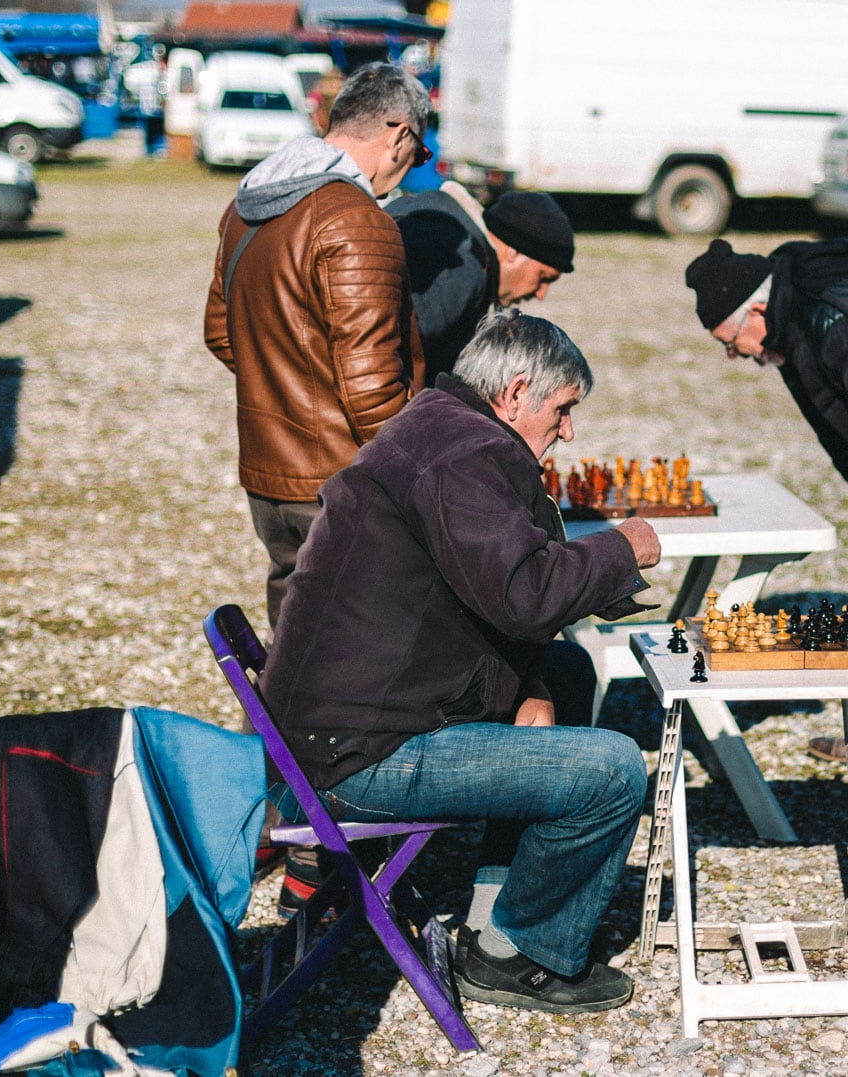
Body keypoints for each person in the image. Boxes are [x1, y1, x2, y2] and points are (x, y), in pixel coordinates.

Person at [260, 311, 662, 1014]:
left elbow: (494, 595)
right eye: (563, 409)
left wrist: (533, 683)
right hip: (356, 759)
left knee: (567, 673)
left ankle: (492, 918)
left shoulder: (442, 422)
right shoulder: (466, 455)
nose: (569, 430)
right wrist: (621, 548)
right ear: (514, 392)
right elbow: (524, 592)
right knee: (613, 768)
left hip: (336, 726)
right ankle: (524, 953)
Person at [683, 236, 848, 765]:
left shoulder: (830, 321)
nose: (735, 355)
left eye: (731, 340)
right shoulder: (790, 326)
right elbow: (841, 436)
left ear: (755, 309)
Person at [203, 62, 432, 633]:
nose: (410, 169)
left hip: (267, 477)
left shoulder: (247, 206)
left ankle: (282, 724)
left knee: (298, 634)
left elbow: (219, 331)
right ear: (398, 133)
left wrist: (291, 391)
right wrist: (427, 475)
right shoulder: (358, 220)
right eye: (419, 153)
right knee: (362, 645)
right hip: (342, 480)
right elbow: (370, 387)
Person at [387, 184, 575, 377]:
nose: (541, 294)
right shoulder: (463, 266)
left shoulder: (434, 217)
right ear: (514, 251)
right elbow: (386, 347)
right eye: (543, 277)